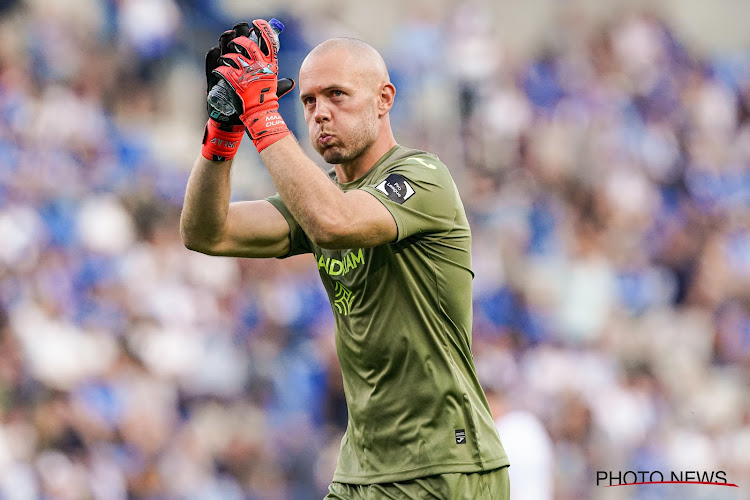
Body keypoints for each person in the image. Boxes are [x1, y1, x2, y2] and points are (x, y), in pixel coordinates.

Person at [180, 19, 510, 499]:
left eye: (337, 95)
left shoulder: (423, 175)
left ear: (384, 99)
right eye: (309, 101)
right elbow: (206, 232)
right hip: (362, 468)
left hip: (446, 465)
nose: (320, 113)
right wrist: (224, 130)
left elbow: (336, 222)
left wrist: (263, 113)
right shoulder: (323, 195)